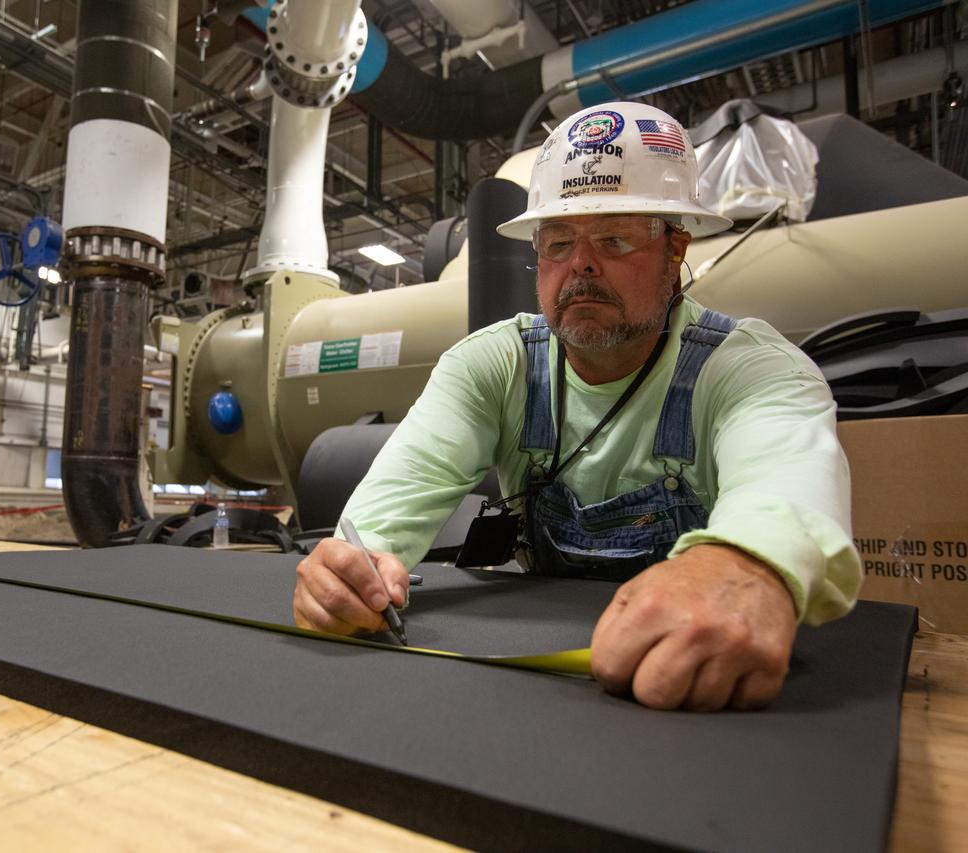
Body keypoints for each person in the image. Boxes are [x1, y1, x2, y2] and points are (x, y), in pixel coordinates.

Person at [292, 101, 862, 711]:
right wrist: (346, 575)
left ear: (676, 252)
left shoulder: (749, 369)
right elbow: (377, 528)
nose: (581, 265)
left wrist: (747, 568)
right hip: (531, 703)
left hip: (692, 709)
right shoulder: (493, 367)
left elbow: (787, 490)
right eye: (559, 241)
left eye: (615, 238)